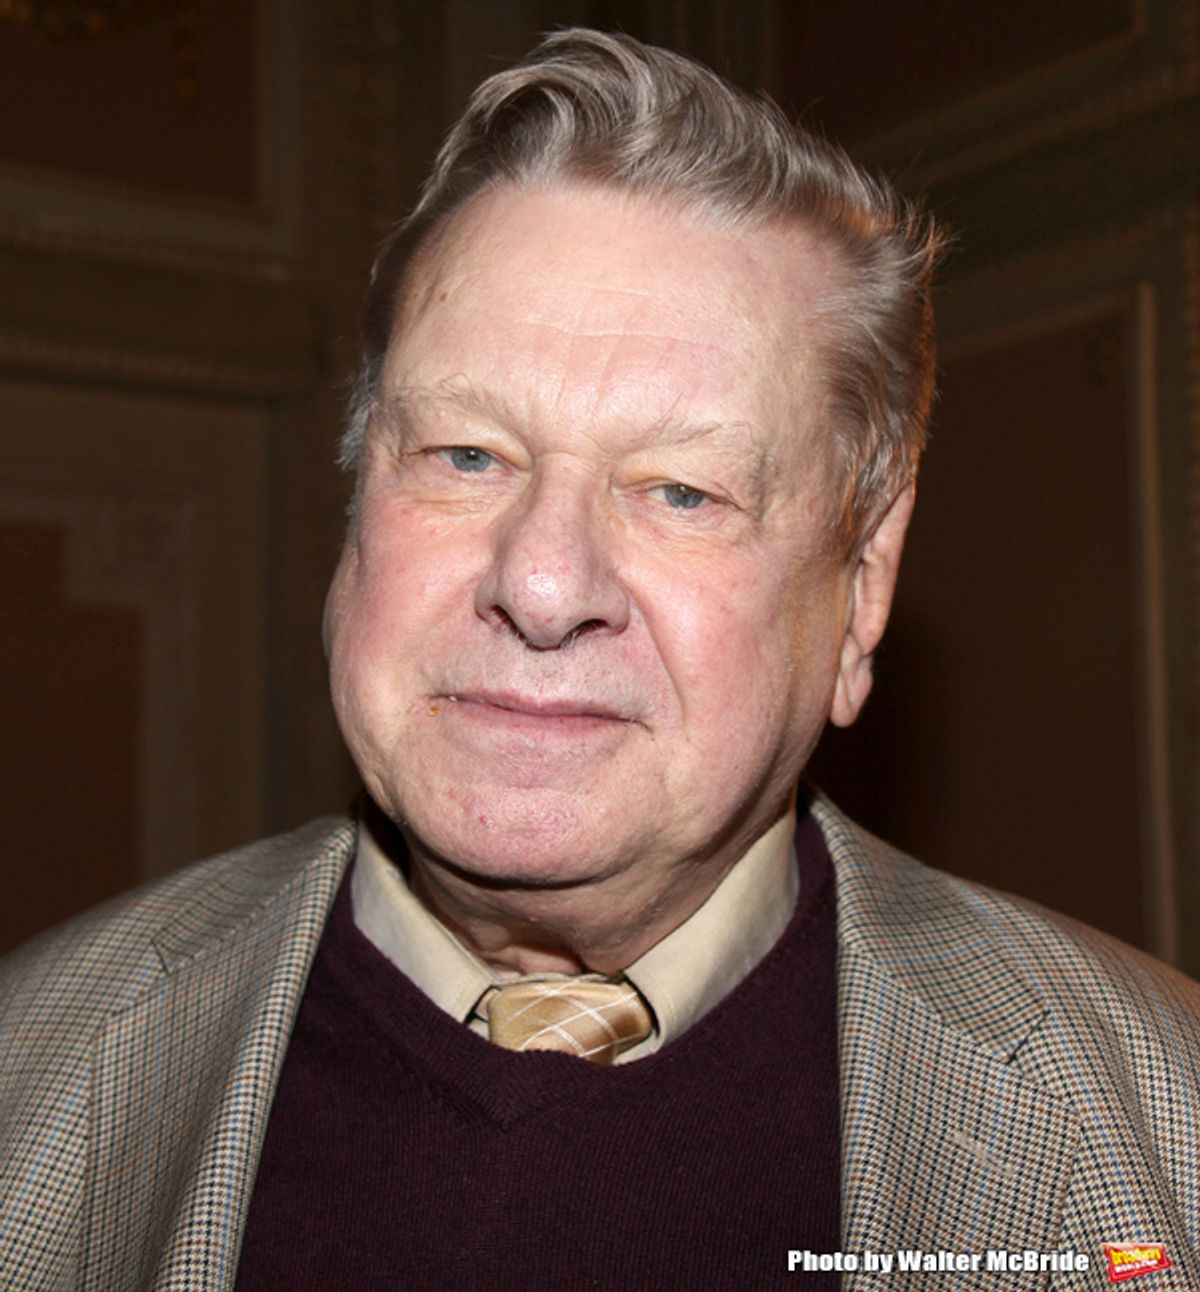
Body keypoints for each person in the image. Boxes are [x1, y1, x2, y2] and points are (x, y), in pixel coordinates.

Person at [2, 29, 1198, 1292]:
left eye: (681, 489)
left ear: (864, 587)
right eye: (466, 455)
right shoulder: (30, 1061)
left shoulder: (1162, 1120)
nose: (543, 583)